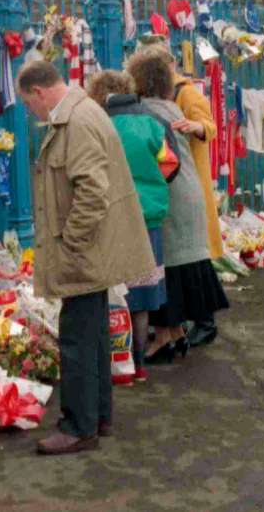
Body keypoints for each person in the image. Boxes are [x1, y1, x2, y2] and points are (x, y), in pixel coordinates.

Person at [17, 60, 155, 455]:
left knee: (78, 339)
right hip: (92, 249)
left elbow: (92, 192)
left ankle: (79, 426)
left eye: (29, 104)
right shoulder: (84, 112)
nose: (32, 113)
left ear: (39, 92)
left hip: (84, 250)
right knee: (93, 336)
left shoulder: (75, 122)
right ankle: (98, 417)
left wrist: (69, 243)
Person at [127, 47, 229, 362]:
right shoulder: (170, 105)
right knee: (185, 264)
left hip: (173, 193)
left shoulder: (153, 108)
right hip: (187, 190)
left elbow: (208, 126)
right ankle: (177, 333)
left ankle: (172, 335)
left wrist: (197, 127)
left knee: (169, 266)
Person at [88, 70, 176, 384]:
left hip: (111, 216)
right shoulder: (151, 122)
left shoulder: (98, 124)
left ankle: (116, 364)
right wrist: (152, 187)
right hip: (148, 217)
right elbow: (170, 162)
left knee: (114, 293)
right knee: (143, 296)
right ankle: (139, 366)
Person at [168, 56, 224, 263]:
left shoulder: (186, 92)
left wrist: (196, 126)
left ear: (172, 65)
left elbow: (209, 127)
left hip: (188, 170)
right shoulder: (146, 91)